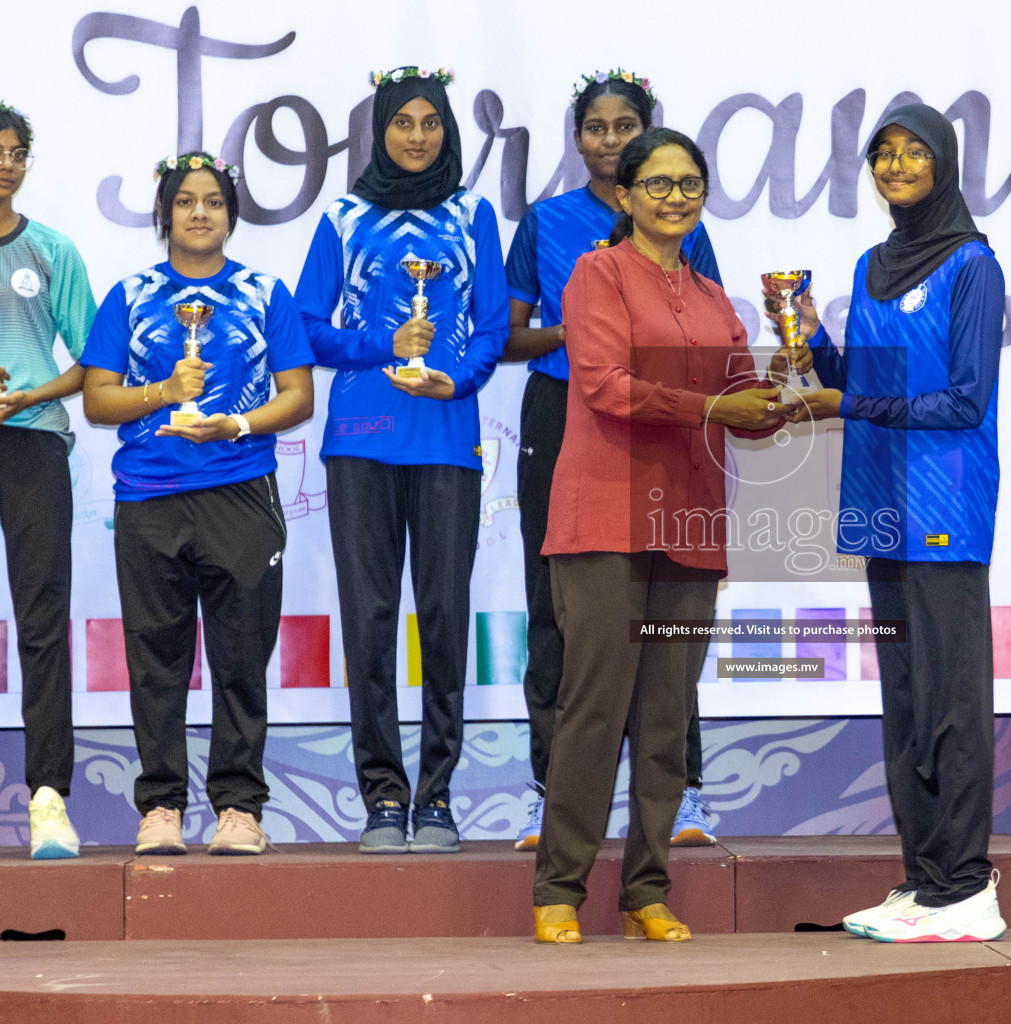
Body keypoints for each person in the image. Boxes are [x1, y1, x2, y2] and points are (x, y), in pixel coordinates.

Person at [531, 127, 801, 943]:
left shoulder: (717, 298)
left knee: (666, 714)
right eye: (658, 183)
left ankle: (648, 889)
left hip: (690, 525)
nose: (675, 196)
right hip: (606, 519)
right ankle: (559, 889)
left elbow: (744, 410)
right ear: (624, 195)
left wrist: (789, 374)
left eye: (689, 183)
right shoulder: (597, 274)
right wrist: (716, 407)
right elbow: (609, 388)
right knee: (594, 708)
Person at [774, 104, 1007, 942]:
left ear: (942, 163)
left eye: (914, 152)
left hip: (943, 508)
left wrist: (849, 397)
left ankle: (969, 886)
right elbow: (855, 383)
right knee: (905, 702)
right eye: (884, 154)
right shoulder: (873, 263)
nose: (898, 165)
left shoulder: (973, 265)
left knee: (953, 699)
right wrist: (807, 343)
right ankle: (924, 880)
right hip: (878, 506)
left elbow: (964, 401)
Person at [502, 69, 720, 852]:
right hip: (566, 412)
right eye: (595, 127)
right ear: (578, 138)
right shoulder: (548, 222)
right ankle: (545, 788)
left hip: (666, 421)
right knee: (561, 611)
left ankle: (682, 791)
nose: (609, 139)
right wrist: (590, 334)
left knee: (671, 606)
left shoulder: (682, 224)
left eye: (624, 126)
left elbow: (712, 336)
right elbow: (508, 336)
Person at [296, 67, 509, 854]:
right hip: (361, 439)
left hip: (448, 435)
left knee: (445, 616)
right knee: (371, 617)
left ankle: (439, 797)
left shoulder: (472, 214)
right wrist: (379, 345)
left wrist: (462, 375)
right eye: (402, 122)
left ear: (447, 131)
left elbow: (493, 324)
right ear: (379, 130)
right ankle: (383, 796)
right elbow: (309, 327)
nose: (417, 135)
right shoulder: (344, 217)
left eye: (430, 122)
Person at [80, 152, 315, 856]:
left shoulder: (264, 292)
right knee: (156, 659)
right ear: (165, 214)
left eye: (213, 200)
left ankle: (239, 807)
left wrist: (235, 423)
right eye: (186, 201)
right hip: (150, 495)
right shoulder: (131, 293)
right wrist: (163, 396)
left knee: (241, 658)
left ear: (231, 214)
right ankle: (160, 806)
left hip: (241, 494)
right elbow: (97, 399)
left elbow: (298, 396)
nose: (200, 213)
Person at [0, 101, 94, 859]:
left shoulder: (53, 250)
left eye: (14, 151)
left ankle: (48, 798)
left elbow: (93, 364)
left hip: (32, 448)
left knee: (41, 622)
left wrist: (31, 394)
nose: (4, 163)